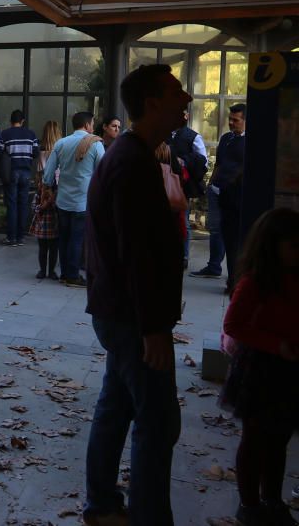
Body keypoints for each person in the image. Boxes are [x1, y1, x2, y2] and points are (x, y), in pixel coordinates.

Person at [83, 63, 191, 526]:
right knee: (158, 422)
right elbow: (138, 255)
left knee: (118, 406)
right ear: (151, 103)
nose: (186, 98)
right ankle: (147, 516)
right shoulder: (132, 163)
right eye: (176, 92)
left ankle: (104, 503)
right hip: (133, 318)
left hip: (122, 312)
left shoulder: (130, 156)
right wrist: (153, 329)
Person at [219, 208, 299, 526]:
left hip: (290, 370)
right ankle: (249, 503)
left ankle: (273, 499)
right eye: (293, 245)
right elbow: (234, 324)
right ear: (272, 245)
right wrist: (275, 345)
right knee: (254, 438)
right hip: (261, 369)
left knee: (279, 439)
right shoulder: (255, 282)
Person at [43, 111, 104, 287]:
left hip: (63, 199)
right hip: (83, 200)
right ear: (87, 125)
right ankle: (72, 275)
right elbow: (104, 170)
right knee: (77, 239)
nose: (93, 127)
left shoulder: (61, 143)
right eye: (92, 123)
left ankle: (64, 273)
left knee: (64, 237)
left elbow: (48, 173)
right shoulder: (96, 144)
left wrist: (48, 186)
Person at [192, 104, 247, 286]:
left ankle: (234, 280)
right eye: (230, 119)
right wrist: (211, 183)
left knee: (233, 238)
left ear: (245, 120)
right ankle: (215, 266)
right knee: (216, 230)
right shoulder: (226, 139)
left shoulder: (249, 141)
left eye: (235, 120)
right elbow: (219, 164)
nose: (231, 123)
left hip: (235, 196)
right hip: (217, 191)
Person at [167, 109, 208, 268]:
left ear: (186, 116)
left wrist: (184, 161)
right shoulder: (162, 133)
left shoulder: (193, 136)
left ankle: (183, 255)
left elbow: (202, 161)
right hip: (161, 184)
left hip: (181, 186)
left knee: (181, 220)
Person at [0, 109, 39, 246]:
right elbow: (36, 152)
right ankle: (21, 237)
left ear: (11, 121)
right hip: (25, 172)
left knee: (11, 205)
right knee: (23, 204)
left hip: (11, 172)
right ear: (23, 121)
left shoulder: (4, 134)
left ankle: (11, 237)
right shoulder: (31, 134)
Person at [30, 120, 62, 279]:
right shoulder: (60, 150)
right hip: (56, 195)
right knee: (54, 244)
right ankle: (52, 271)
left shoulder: (41, 151)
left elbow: (39, 175)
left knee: (42, 245)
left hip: (43, 194)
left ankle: (42, 270)